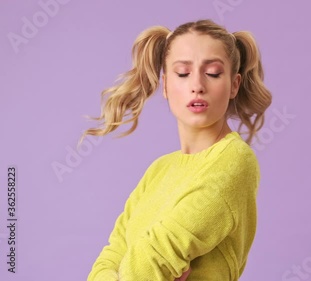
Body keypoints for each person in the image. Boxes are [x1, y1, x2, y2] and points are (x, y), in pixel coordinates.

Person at [81, 19, 272, 280]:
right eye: (183, 73)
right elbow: (111, 256)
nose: (197, 86)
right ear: (165, 86)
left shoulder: (235, 159)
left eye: (213, 73)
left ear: (234, 84)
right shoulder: (159, 170)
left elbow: (156, 253)